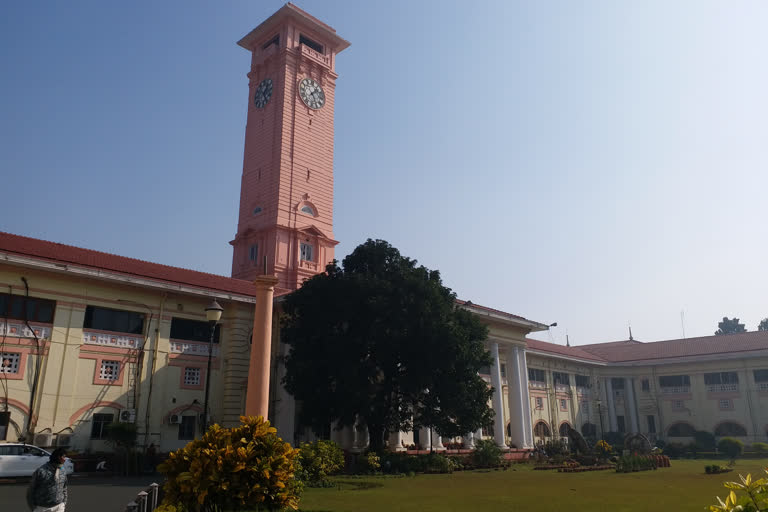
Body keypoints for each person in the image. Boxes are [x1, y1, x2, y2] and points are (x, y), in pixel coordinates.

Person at [26, 447, 68, 512]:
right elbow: (31, 490)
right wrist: (34, 507)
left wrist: (64, 502)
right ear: (57, 457)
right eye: (63, 457)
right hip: (42, 508)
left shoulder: (63, 470)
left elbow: (64, 487)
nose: (65, 459)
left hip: (59, 506)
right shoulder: (41, 471)